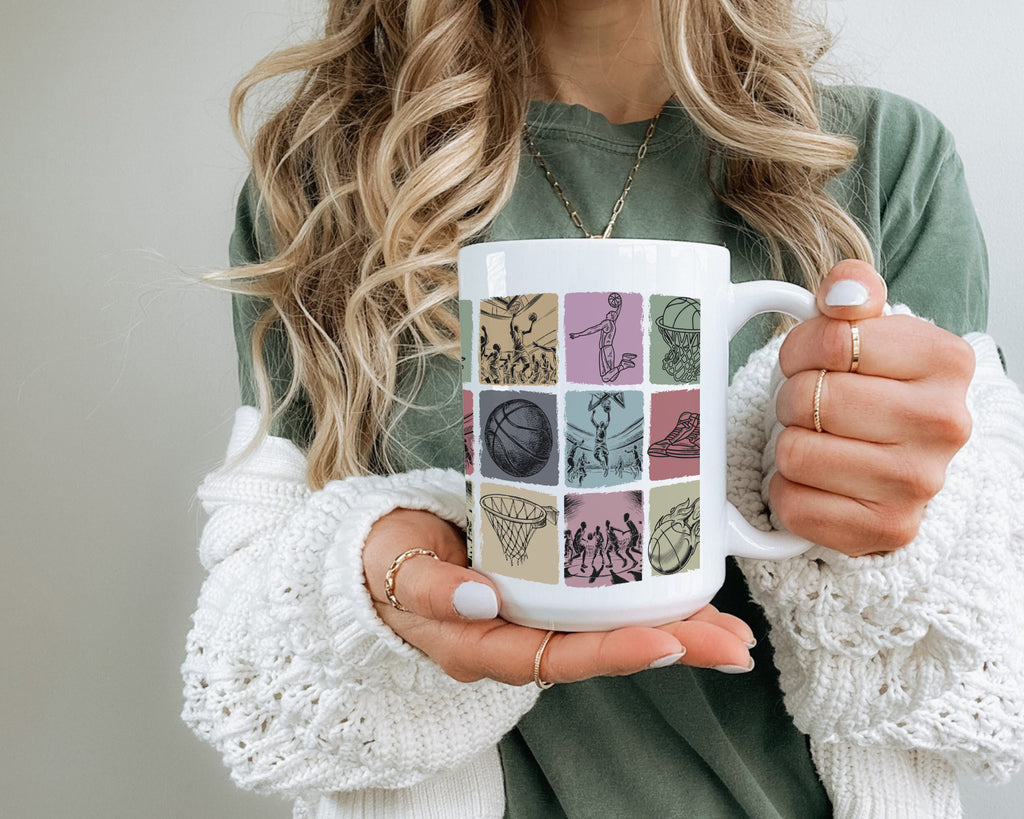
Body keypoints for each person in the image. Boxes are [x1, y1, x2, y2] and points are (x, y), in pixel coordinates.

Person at [181, 0, 1024, 816]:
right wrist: (362, 593)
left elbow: (986, 657)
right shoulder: (322, 180)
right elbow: (246, 651)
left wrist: (893, 522)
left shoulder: (878, 158)